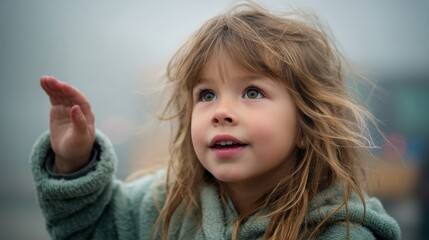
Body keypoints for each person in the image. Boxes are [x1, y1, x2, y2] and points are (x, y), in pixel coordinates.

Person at [31, 2, 400, 239]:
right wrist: (72, 161)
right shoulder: (165, 206)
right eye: (206, 95)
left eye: (252, 92)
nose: (220, 111)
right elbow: (90, 229)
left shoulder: (338, 232)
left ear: (306, 124)